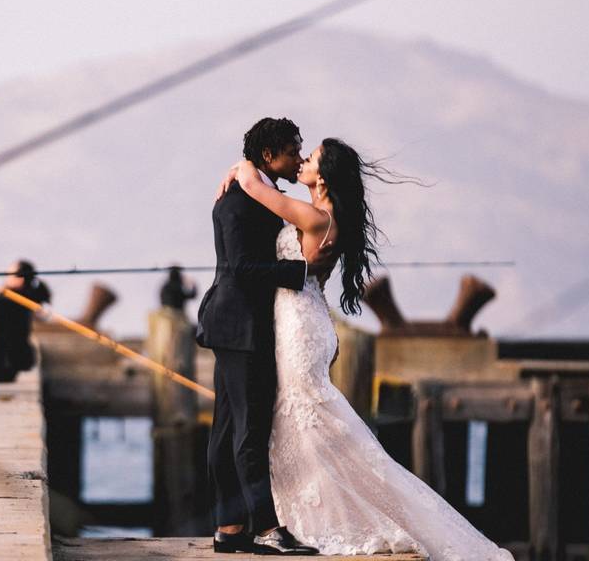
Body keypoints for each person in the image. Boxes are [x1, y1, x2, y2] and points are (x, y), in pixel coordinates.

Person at [219, 139, 514, 560]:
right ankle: (297, 519)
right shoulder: (323, 212)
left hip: (299, 326)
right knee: (298, 421)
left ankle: (306, 521)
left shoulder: (317, 217)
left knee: (301, 416)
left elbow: (257, 189)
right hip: (300, 320)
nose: (302, 161)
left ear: (323, 175)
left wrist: (241, 169)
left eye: (311, 157)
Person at [196, 118, 323, 555]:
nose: (298, 159)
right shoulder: (236, 203)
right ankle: (266, 530)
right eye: (292, 151)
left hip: (239, 325)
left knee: (230, 427)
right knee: (247, 431)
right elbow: (240, 269)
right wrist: (301, 272)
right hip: (239, 326)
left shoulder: (252, 191)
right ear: (269, 156)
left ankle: (229, 529)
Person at [0, 260, 51, 383]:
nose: (5, 279)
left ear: (20, 279)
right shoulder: (24, 298)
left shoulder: (11, 301)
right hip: (15, 361)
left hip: (7, 365)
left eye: (9, 275)